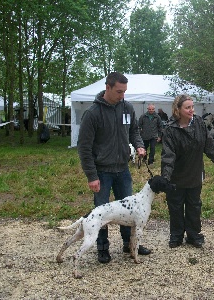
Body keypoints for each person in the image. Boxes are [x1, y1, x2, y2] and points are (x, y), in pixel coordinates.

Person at [77, 71, 151, 264]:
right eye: (119, 91)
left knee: (128, 209)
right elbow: (84, 147)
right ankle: (102, 248)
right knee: (101, 212)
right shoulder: (92, 113)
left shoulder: (127, 108)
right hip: (102, 171)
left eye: (125, 91)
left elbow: (134, 131)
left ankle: (129, 244)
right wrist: (91, 176)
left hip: (122, 170)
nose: (122, 95)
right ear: (107, 87)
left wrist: (139, 145)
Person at [161, 94, 214, 248]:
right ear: (178, 110)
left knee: (194, 205)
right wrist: (166, 177)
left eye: (192, 107)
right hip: (176, 175)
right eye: (187, 107)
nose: (191, 110)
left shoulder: (198, 123)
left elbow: (208, 144)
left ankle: (193, 234)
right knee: (175, 206)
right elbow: (168, 155)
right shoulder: (170, 129)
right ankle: (176, 235)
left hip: (195, 172)